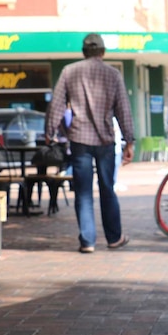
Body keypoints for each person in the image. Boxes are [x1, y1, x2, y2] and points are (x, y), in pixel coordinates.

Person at [46, 33, 134, 253]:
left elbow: (57, 105)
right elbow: (123, 110)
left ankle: (88, 241)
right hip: (105, 139)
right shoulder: (113, 74)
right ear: (103, 52)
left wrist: (49, 132)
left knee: (83, 191)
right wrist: (129, 141)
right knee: (107, 189)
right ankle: (114, 238)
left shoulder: (69, 71)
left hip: (79, 139)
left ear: (84, 52)